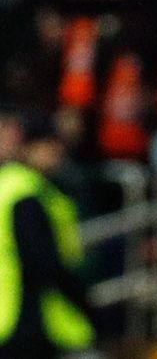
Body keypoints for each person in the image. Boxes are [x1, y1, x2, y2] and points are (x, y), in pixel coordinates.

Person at [0, 106, 96, 357]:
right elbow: (44, 263)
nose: (58, 154)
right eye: (51, 146)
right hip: (22, 317)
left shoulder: (8, 184)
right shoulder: (27, 193)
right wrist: (84, 303)